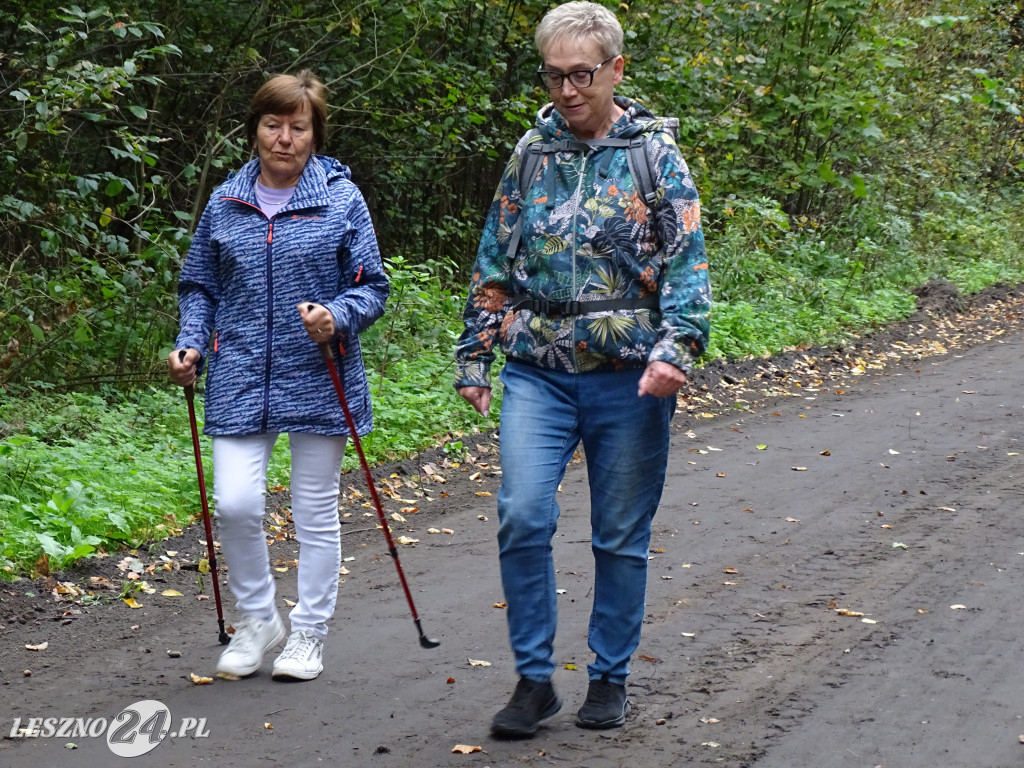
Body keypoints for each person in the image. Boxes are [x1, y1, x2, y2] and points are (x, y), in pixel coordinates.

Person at [454, 1, 711, 737]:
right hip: (537, 369)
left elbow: (688, 267)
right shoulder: (531, 155)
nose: (567, 91)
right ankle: (534, 680)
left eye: (582, 74)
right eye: (555, 75)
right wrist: (475, 352)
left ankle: (609, 675)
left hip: (627, 376)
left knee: (618, 535)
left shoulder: (654, 157)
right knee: (523, 513)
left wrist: (675, 350)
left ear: (616, 70)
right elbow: (493, 260)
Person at [168, 70, 388, 682]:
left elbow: (372, 288)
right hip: (237, 370)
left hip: (318, 371)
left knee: (315, 508)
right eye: (273, 125)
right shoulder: (224, 201)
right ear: (255, 130)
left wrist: (336, 315)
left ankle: (309, 634)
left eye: (298, 126)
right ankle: (260, 619)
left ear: (315, 134)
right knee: (236, 503)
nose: (284, 138)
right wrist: (190, 343)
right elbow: (199, 285)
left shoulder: (342, 199)